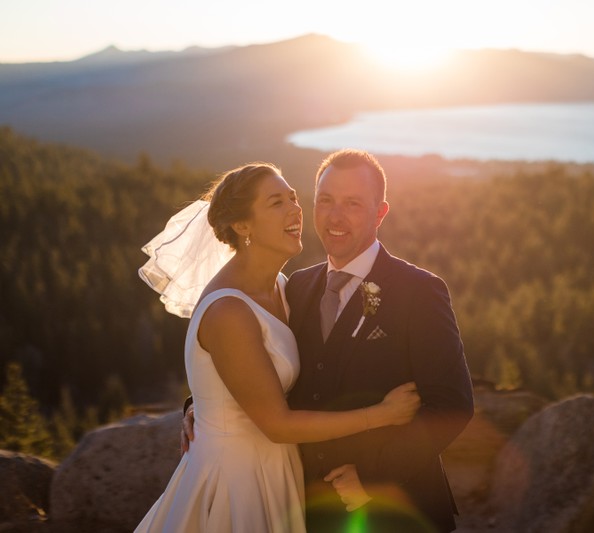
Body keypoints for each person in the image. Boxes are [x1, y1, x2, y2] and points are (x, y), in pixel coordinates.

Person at [136, 162, 421, 533]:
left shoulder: (284, 288)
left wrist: (200, 404)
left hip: (277, 470)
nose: (295, 209)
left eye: (293, 198)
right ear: (242, 226)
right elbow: (275, 423)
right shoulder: (228, 311)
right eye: (276, 203)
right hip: (236, 481)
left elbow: (247, 376)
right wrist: (382, 414)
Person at [286, 149, 474, 532]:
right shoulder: (296, 287)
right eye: (326, 201)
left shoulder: (420, 291)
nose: (335, 217)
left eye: (352, 204)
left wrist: (374, 476)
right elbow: (259, 356)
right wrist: (204, 406)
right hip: (307, 510)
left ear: (380, 213)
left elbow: (452, 404)